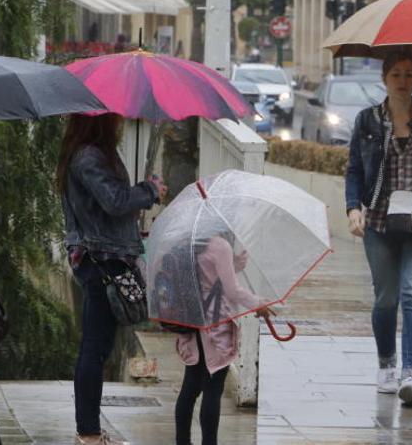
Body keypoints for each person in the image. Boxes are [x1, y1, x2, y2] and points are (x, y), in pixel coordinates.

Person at [344, 51, 412, 407]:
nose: (403, 81)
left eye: (409, 74)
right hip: (379, 221)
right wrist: (353, 208)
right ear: (385, 79)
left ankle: (411, 374)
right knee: (386, 299)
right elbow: (355, 170)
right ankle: (386, 363)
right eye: (396, 74)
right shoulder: (367, 120)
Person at [56, 113, 167, 445]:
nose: (120, 121)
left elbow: (110, 206)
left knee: (98, 346)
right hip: (102, 261)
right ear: (101, 121)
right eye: (114, 117)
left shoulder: (92, 153)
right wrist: (150, 190)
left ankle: (89, 430)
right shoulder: (89, 156)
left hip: (107, 257)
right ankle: (88, 432)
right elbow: (115, 201)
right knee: (94, 348)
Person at [171, 225, 271, 445]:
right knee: (213, 389)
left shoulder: (188, 241)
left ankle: (182, 442)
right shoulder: (220, 245)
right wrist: (257, 304)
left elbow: (207, 277)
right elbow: (232, 290)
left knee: (190, 387)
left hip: (191, 321)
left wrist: (231, 266)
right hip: (215, 326)